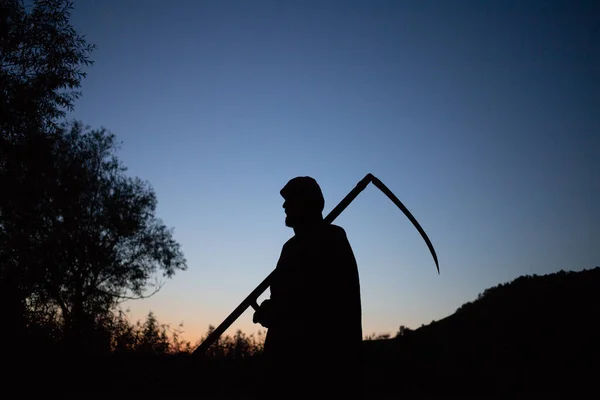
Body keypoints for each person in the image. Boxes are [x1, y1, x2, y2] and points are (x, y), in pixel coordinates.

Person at [253, 176, 364, 398]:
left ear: (307, 203)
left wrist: (277, 312)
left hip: (318, 371)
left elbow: (325, 303)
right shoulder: (291, 247)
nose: (284, 206)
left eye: (290, 200)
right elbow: (287, 295)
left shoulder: (332, 239)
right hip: (281, 366)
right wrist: (269, 309)